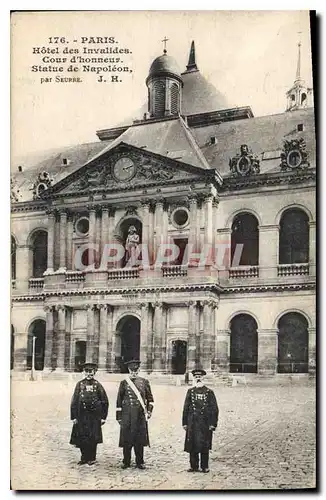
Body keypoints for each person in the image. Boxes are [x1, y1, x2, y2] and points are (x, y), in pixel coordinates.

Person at [116, 359, 154, 469]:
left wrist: (149, 411)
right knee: (126, 439)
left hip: (140, 415)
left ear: (139, 370)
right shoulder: (124, 383)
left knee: (139, 439)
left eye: (136, 370)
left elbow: (150, 399)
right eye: (132, 370)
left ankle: (140, 461)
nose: (134, 372)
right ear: (129, 370)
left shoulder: (144, 382)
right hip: (127, 415)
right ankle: (126, 461)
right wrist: (119, 416)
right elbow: (119, 400)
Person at [69, 362, 109, 465]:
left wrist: (103, 417)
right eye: (86, 372)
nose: (88, 374)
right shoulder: (80, 384)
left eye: (90, 372)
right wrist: (73, 416)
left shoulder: (98, 385)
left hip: (94, 417)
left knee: (92, 437)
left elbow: (105, 401)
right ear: (83, 372)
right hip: (81, 415)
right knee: (82, 437)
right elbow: (74, 401)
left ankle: (92, 457)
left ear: (94, 372)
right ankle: (84, 457)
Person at [182, 368, 219, 473]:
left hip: (205, 423)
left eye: (200, 377)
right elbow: (186, 407)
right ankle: (193, 466)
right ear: (194, 378)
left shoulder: (209, 392)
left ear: (203, 378)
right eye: (196, 377)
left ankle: (204, 466)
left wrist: (213, 423)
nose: (198, 379)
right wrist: (184, 422)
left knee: (204, 445)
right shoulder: (190, 391)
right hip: (192, 422)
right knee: (192, 444)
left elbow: (214, 409)